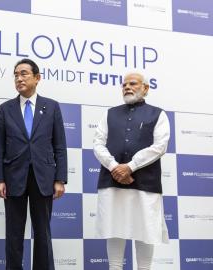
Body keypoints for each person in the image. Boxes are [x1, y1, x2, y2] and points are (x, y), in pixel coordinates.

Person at [0, 58, 68, 270]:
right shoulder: (5, 109)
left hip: (43, 177)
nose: (19, 78)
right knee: (14, 234)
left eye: (24, 73)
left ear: (37, 78)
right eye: (16, 74)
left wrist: (60, 179)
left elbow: (60, 146)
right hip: (13, 176)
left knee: (43, 233)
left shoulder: (52, 107)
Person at [93, 72, 170, 270]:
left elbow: (160, 146)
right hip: (112, 181)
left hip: (146, 184)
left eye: (133, 83)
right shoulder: (109, 113)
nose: (127, 87)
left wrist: (130, 167)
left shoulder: (158, 114)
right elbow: (98, 144)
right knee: (114, 228)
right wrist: (114, 167)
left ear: (145, 88)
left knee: (145, 231)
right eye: (124, 84)